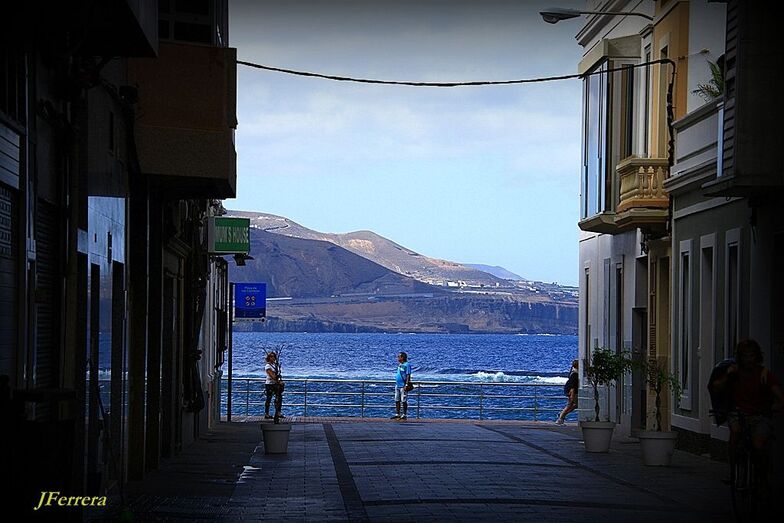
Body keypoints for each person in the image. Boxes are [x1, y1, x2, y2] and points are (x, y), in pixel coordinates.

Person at [709, 339, 784, 489]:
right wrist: (728, 376)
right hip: (738, 413)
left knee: (758, 444)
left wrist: (773, 407)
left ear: (757, 356)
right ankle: (733, 471)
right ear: (740, 357)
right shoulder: (734, 372)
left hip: (759, 414)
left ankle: (761, 476)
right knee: (735, 432)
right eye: (745, 356)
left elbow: (780, 397)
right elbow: (716, 387)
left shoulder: (763, 374)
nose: (749, 360)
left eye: (751, 356)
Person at [556, 359, 579, 425]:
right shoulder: (575, 374)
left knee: (574, 405)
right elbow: (572, 386)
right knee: (570, 405)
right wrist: (572, 395)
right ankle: (561, 417)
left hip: (570, 390)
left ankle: (562, 415)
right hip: (571, 391)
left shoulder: (573, 372)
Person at [264, 352, 285, 421]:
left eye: (274, 357)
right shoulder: (268, 366)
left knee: (279, 398)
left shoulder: (275, 365)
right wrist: (278, 380)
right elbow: (272, 376)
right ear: (269, 358)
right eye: (271, 356)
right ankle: (267, 414)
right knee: (269, 399)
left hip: (276, 384)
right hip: (269, 384)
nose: (273, 358)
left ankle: (278, 412)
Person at [391, 352, 412, 420]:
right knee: (397, 399)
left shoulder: (407, 365)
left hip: (403, 385)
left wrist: (406, 384)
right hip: (398, 385)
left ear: (402, 357)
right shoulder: (400, 364)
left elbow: (408, 375)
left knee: (404, 400)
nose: (397, 358)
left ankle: (404, 414)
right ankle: (397, 414)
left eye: (399, 357)